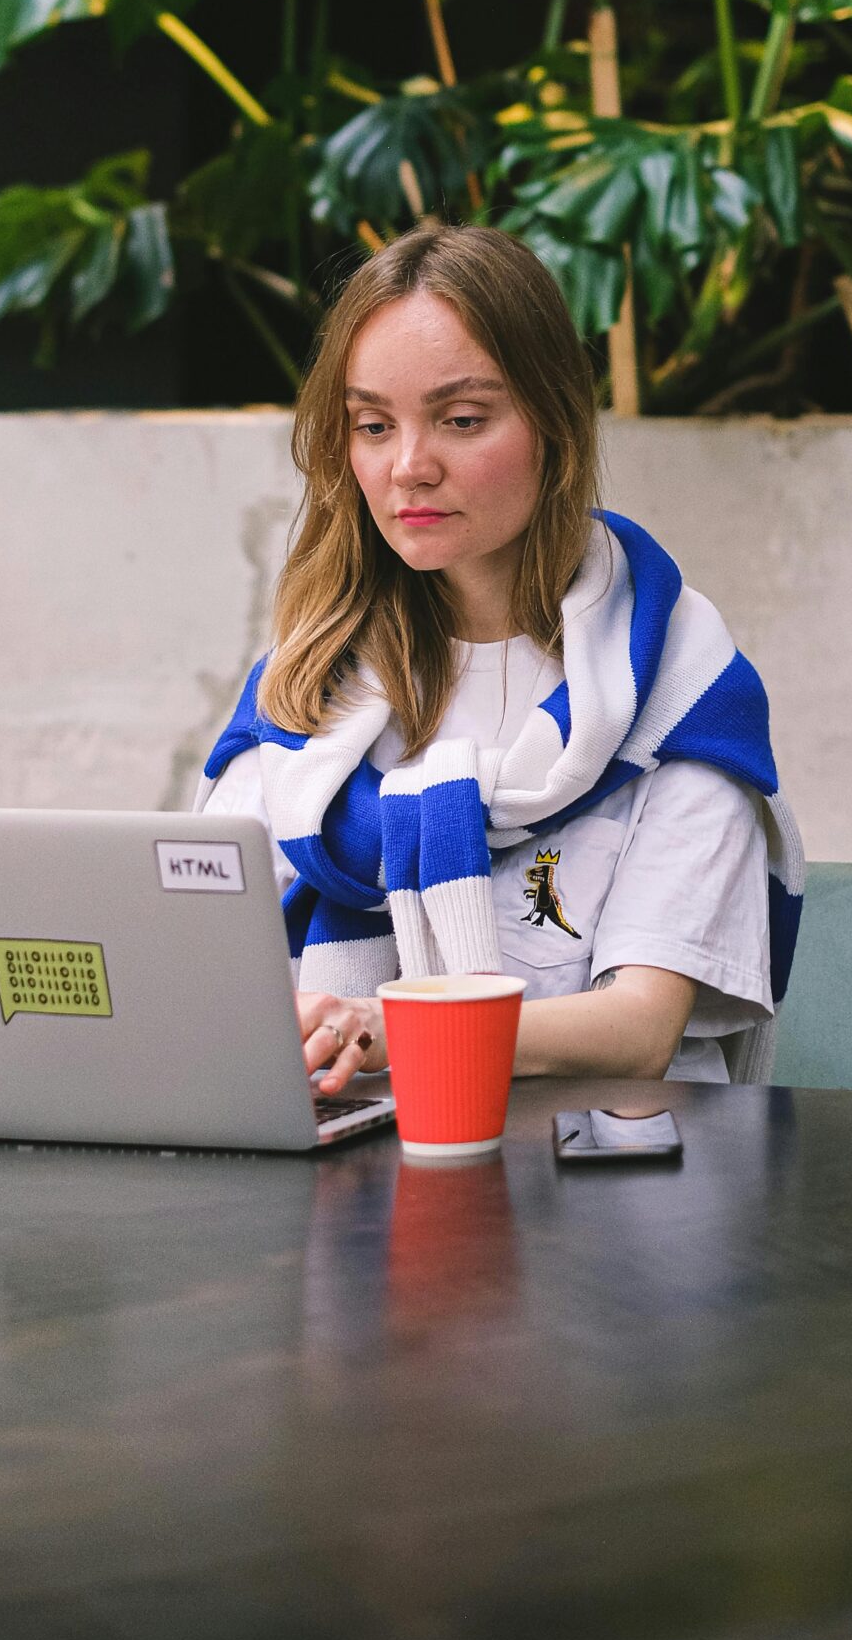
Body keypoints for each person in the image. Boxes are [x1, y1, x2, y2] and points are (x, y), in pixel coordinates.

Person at [197, 224, 803, 1099]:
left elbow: (638, 1028)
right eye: (371, 425)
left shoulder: (674, 690)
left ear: (555, 422)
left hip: (599, 1183)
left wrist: (381, 1029)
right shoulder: (303, 691)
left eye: (462, 420)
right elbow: (202, 973)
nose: (408, 467)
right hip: (336, 1165)